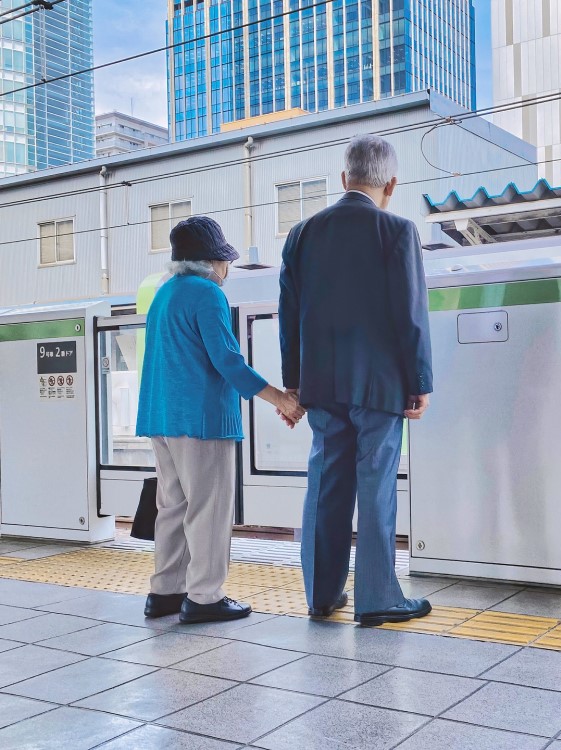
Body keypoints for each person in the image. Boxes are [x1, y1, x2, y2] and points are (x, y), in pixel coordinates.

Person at [279, 134, 433, 626]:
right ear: (390, 184)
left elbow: (289, 315)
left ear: (344, 179)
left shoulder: (301, 234)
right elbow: (410, 316)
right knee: (376, 487)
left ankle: (321, 595)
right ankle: (377, 597)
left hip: (322, 385)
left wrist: (295, 383)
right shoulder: (397, 231)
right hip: (381, 388)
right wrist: (420, 380)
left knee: (325, 485)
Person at [137, 216, 305, 624]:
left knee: (173, 507)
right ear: (213, 261)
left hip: (161, 417)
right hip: (202, 420)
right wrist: (280, 399)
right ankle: (205, 596)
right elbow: (227, 360)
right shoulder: (207, 294)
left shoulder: (164, 294)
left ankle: (165, 592)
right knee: (209, 509)